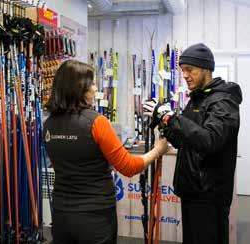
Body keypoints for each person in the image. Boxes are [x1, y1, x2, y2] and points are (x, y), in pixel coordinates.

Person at [43, 59, 168, 244]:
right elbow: (128, 166)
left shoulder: (49, 124)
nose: (95, 88)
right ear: (78, 88)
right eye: (91, 83)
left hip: (61, 215)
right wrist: (158, 150)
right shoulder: (96, 122)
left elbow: (63, 161)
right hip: (95, 217)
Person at [144, 43, 242, 244]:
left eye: (190, 70)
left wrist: (172, 118)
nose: (185, 75)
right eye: (183, 71)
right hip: (192, 190)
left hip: (209, 194)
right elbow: (184, 141)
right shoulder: (197, 99)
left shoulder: (223, 102)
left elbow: (209, 140)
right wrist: (163, 123)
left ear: (206, 69)